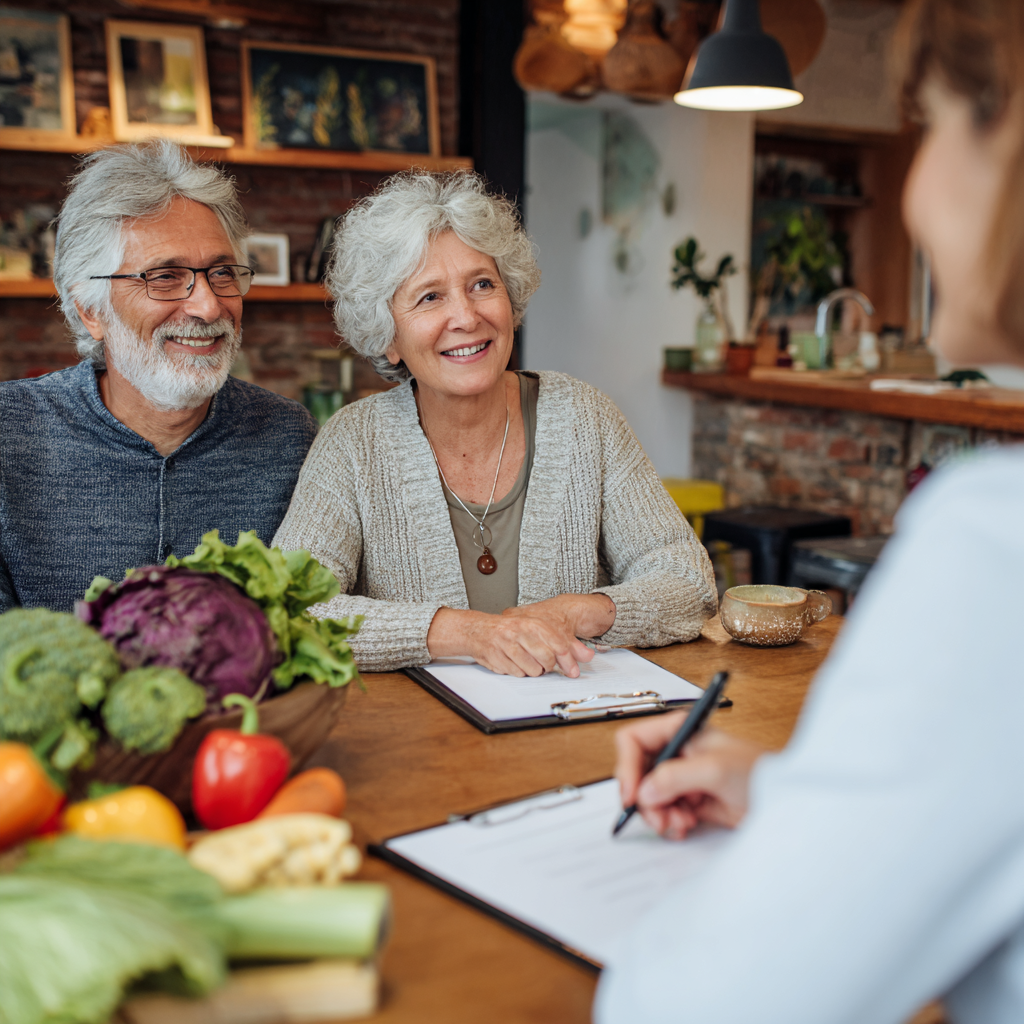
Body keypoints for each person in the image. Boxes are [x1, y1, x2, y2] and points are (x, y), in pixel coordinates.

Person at [597, 1, 1024, 1021]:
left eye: (930, 126)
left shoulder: (994, 543)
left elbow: (702, 1006)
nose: (915, 191)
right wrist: (793, 794)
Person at [273, 171, 717, 674]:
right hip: (422, 740)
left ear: (512, 301)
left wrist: (573, 613)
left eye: (482, 284)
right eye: (429, 297)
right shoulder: (352, 444)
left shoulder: (585, 418)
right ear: (388, 338)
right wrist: (472, 634)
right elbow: (294, 607)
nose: (465, 317)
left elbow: (688, 581)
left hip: (572, 730)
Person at [0, 141, 317, 613]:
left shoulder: (288, 436)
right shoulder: (10, 430)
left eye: (223, 273)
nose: (209, 305)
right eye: (164, 277)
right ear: (91, 310)